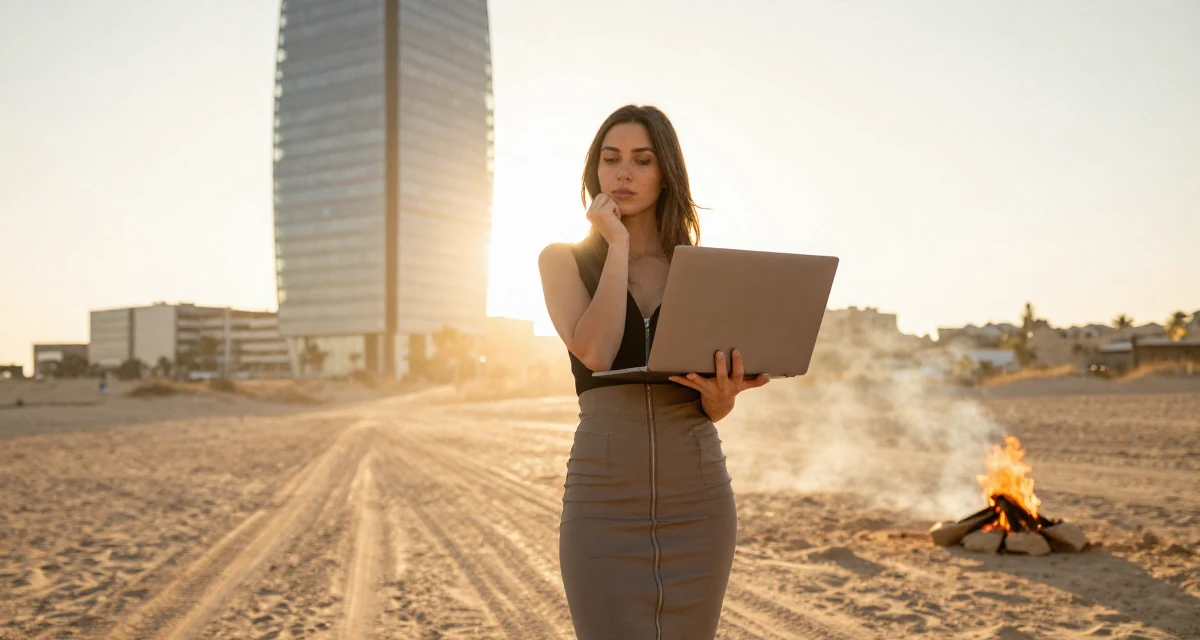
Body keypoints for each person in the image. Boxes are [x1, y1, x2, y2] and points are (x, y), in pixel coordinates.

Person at [538, 104, 771, 640]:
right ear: (594, 170)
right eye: (611, 158)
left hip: (699, 495)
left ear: (665, 172)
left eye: (641, 160)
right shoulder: (562, 260)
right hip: (602, 497)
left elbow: (713, 408)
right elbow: (594, 352)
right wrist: (616, 246)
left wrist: (724, 395)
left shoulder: (701, 269)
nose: (623, 173)